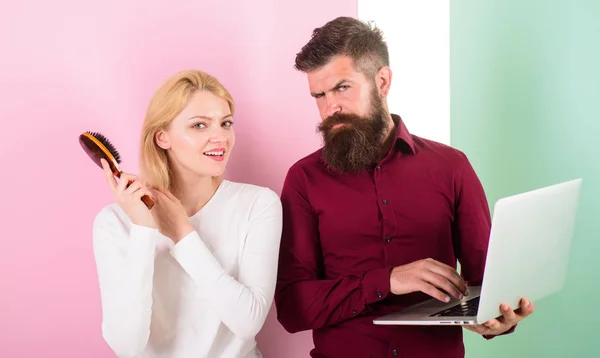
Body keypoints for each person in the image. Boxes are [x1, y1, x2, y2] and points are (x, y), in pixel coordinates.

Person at [274, 17, 535, 358]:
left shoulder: (452, 167)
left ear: (382, 81)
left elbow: (486, 285)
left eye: (342, 88)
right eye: (318, 95)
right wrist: (388, 281)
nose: (329, 108)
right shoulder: (304, 179)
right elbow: (293, 308)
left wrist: (499, 319)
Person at [92, 69, 282, 358]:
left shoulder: (258, 204)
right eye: (199, 126)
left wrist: (182, 234)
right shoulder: (114, 223)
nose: (220, 137)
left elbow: (248, 322)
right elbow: (127, 346)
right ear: (162, 138)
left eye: (225, 123)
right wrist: (144, 230)